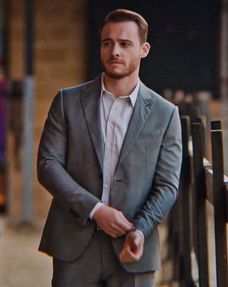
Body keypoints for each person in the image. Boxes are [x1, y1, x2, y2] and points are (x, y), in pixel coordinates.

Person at [37, 9, 182, 287]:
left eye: (125, 44)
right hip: (74, 244)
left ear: (144, 49)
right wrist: (96, 209)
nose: (114, 51)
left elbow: (167, 186)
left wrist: (140, 229)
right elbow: (47, 165)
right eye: (107, 43)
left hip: (133, 247)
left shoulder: (166, 114)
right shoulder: (67, 102)